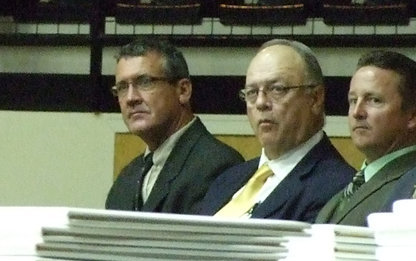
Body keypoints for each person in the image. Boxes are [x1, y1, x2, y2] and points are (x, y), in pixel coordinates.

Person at [198, 39, 353, 221]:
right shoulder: (227, 179)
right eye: (252, 92)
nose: (261, 103)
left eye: (277, 89)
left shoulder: (337, 188)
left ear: (315, 98)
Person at [106, 39, 243, 213]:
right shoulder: (126, 178)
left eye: (145, 82)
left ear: (183, 90)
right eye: (122, 87)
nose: (131, 98)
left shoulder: (219, 166)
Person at [315, 51, 416, 225]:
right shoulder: (347, 190)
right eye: (353, 100)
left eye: (374, 100)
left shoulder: (409, 187)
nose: (357, 112)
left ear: (412, 116)